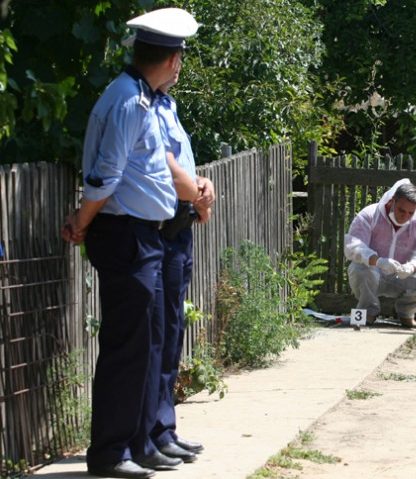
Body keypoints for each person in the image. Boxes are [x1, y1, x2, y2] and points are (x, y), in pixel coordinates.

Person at [61, 8, 199, 479]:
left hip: (146, 235)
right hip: (124, 234)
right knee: (127, 346)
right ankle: (108, 454)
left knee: (150, 341)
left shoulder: (142, 97)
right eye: (180, 57)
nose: (181, 65)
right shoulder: (126, 101)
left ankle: (140, 443)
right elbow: (104, 176)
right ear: (172, 60)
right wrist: (81, 222)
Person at [148, 55, 215, 464]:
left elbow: (184, 166)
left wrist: (203, 188)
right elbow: (166, 166)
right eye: (175, 60)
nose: (179, 68)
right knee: (156, 335)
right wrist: (197, 193)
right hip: (159, 229)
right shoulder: (144, 106)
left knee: (171, 333)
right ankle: (152, 431)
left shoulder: (168, 105)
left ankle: (164, 426)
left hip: (179, 226)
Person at [344, 179, 416, 328]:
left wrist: (411, 267)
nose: (405, 216)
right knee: (358, 268)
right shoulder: (370, 214)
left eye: (411, 212)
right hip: (373, 273)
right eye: (401, 210)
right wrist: (377, 261)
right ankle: (366, 312)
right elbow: (352, 246)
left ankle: (406, 312)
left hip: (403, 276)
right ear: (392, 201)